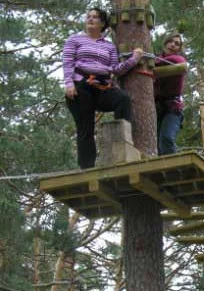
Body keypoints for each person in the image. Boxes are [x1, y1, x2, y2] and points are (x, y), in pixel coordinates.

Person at [63, 7, 143, 169]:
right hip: (81, 86)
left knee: (122, 99)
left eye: (95, 17)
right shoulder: (75, 40)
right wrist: (69, 84)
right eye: (88, 17)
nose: (90, 20)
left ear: (102, 23)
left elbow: (115, 68)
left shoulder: (109, 46)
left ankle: (122, 145)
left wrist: (134, 59)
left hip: (102, 86)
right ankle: (87, 168)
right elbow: (68, 62)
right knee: (86, 127)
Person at [154, 31, 187, 155]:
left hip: (173, 109)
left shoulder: (178, 60)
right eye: (170, 41)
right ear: (165, 43)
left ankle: (174, 170)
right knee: (156, 145)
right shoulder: (156, 60)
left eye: (177, 44)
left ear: (179, 48)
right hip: (156, 110)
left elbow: (178, 60)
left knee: (166, 139)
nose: (173, 45)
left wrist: (152, 62)